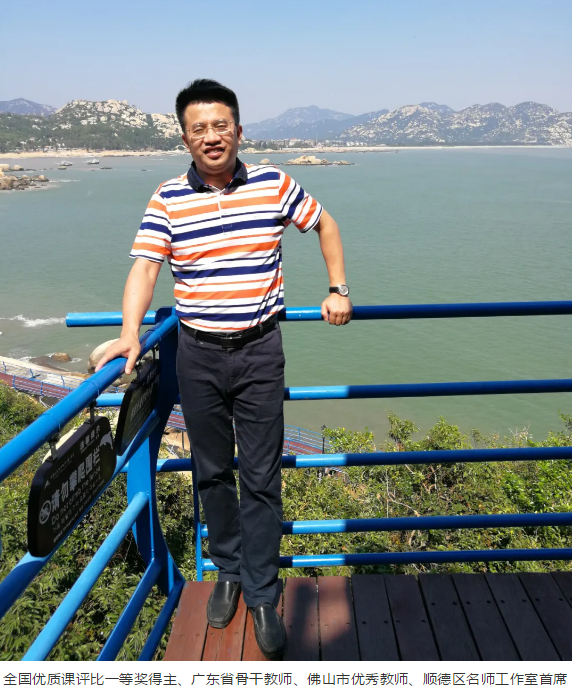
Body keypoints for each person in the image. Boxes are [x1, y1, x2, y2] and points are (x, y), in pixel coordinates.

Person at [96, 79, 352, 659]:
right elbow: (145, 268)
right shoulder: (167, 197)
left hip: (260, 350)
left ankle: (262, 591)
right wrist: (130, 334)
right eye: (198, 129)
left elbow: (325, 225)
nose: (211, 137)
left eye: (220, 126)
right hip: (198, 353)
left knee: (261, 476)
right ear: (185, 138)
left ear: (238, 130)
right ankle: (228, 571)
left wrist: (337, 289)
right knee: (210, 470)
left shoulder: (273, 183)